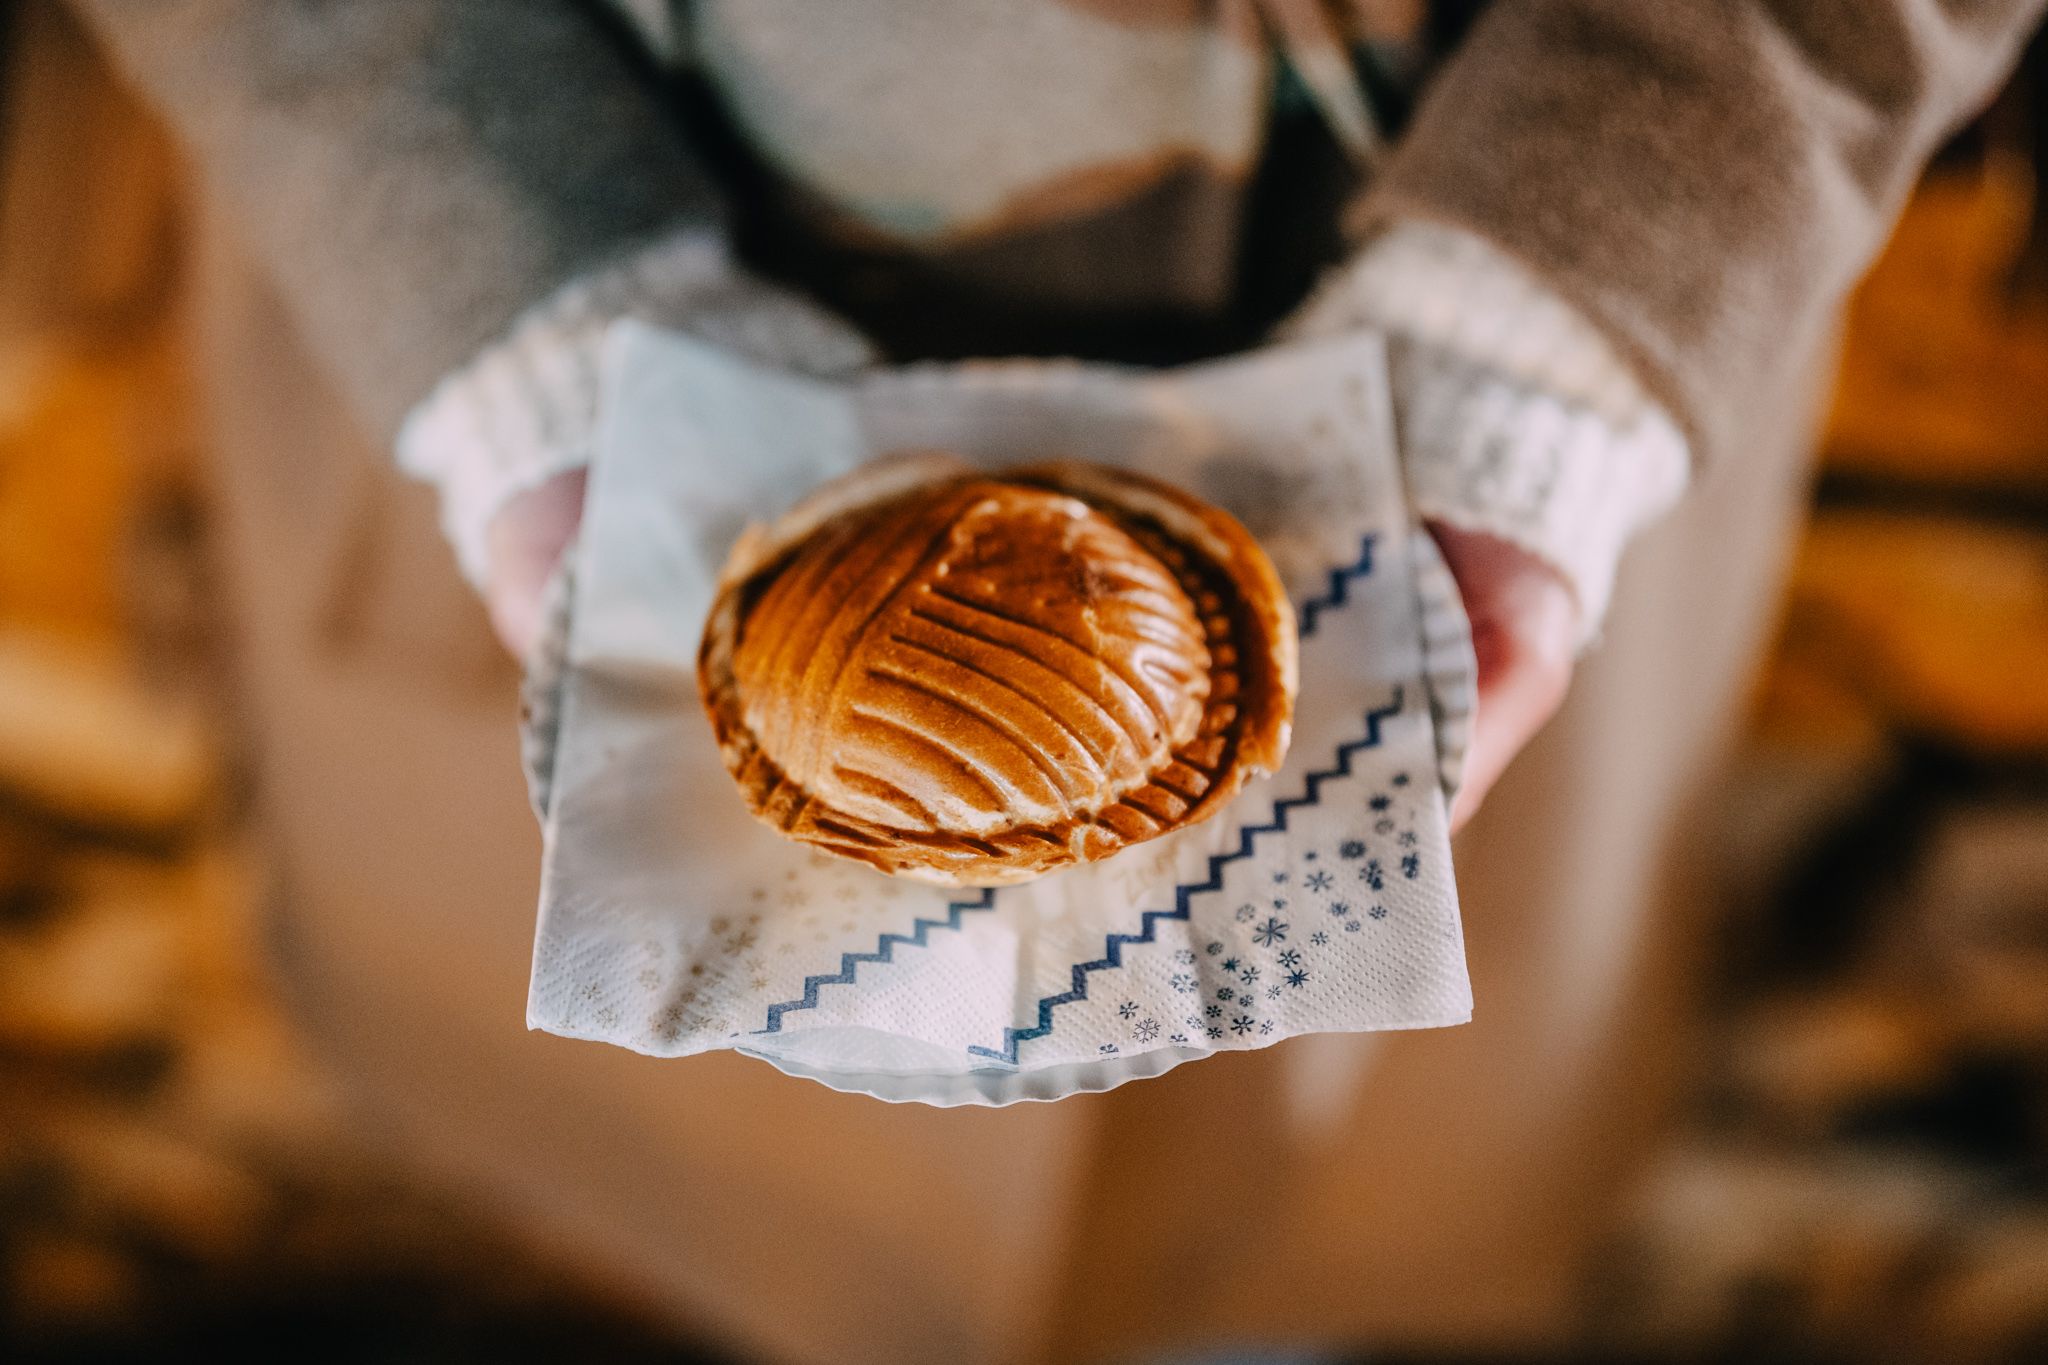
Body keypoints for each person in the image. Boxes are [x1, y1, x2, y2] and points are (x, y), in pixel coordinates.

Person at [64, 2, 2044, 1360]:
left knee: (1304, 1185)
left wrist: (1570, 306)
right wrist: (510, 284)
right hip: (553, 250)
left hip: (1506, 300)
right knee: (707, 1188)